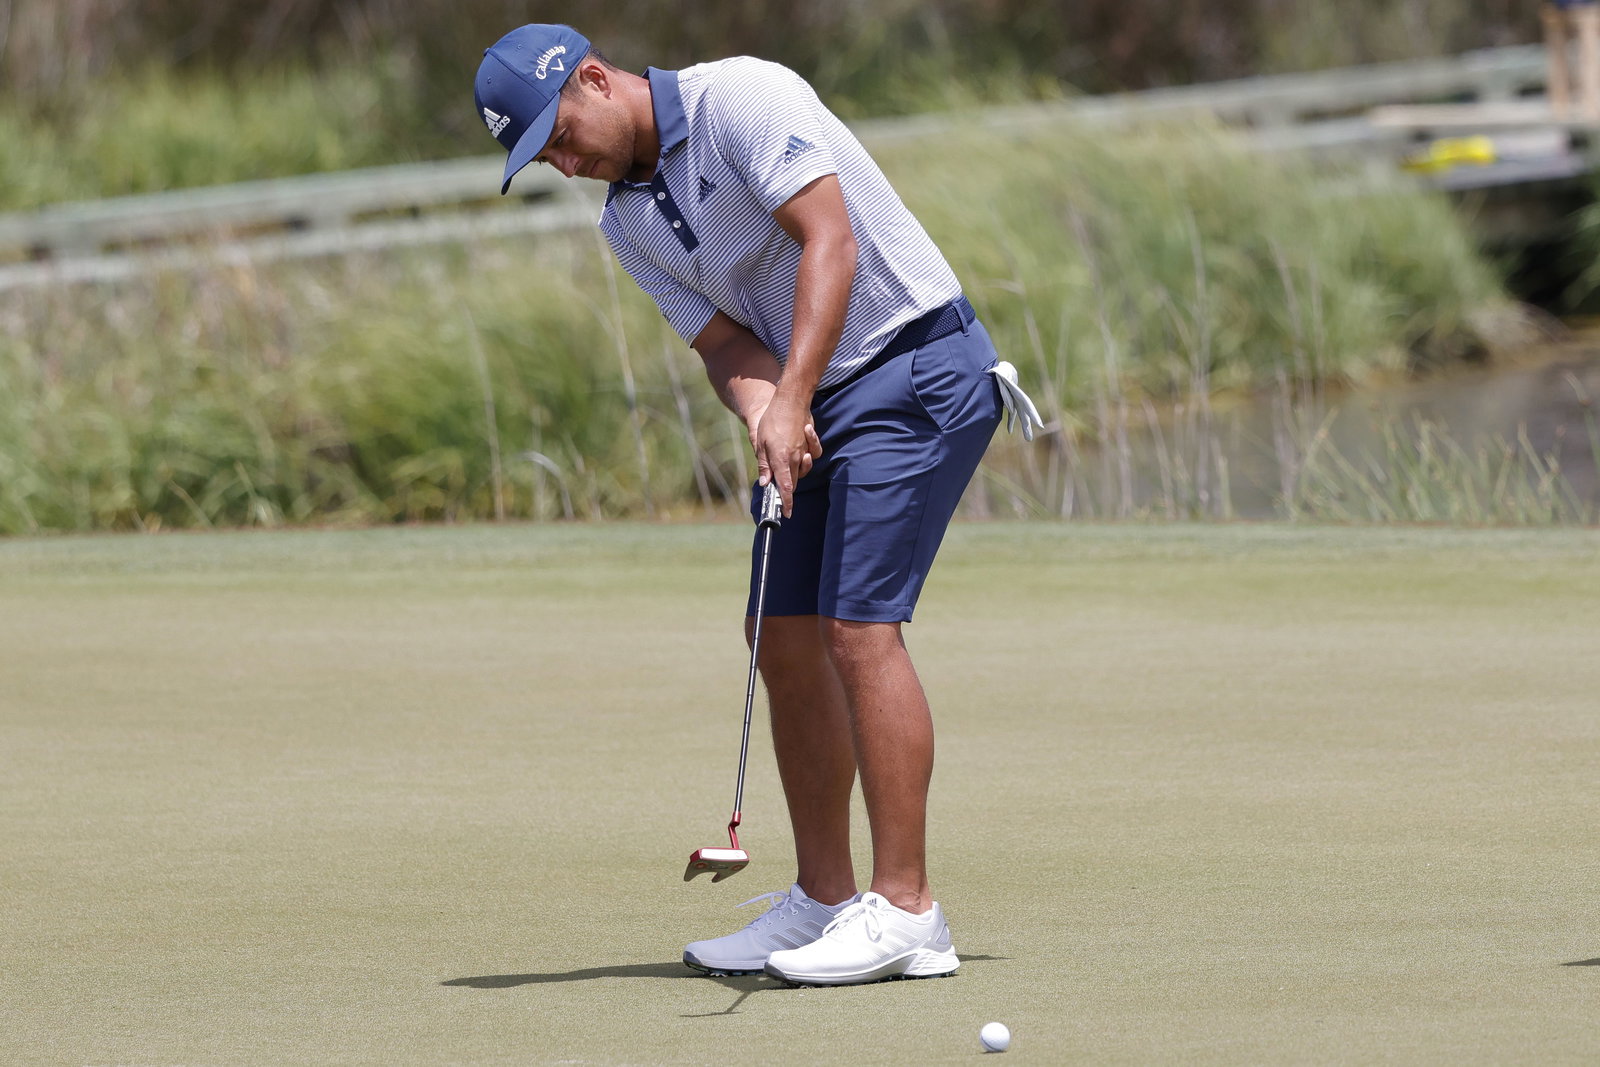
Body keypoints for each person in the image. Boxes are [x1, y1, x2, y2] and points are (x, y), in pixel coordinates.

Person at [472, 23, 1039, 987]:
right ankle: (822, 902)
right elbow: (723, 344)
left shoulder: (742, 97)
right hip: (817, 396)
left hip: (916, 366)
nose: (565, 165)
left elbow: (832, 243)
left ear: (597, 79)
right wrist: (766, 411)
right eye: (542, 160)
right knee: (778, 632)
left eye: (561, 136)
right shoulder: (624, 222)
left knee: (859, 630)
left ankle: (908, 913)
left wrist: (794, 400)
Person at [1543, 0, 1600, 121]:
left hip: (1557, 6)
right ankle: (1590, 106)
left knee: (1558, 58)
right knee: (1588, 57)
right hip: (1583, 6)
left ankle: (1559, 106)